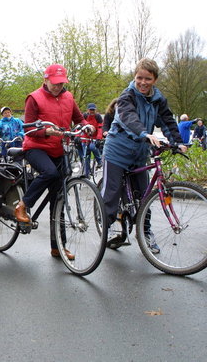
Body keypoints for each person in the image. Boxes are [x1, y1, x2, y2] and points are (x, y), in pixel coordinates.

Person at [100, 58, 187, 253]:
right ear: (135, 77)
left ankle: (145, 232)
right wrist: (145, 133)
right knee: (111, 195)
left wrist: (177, 142)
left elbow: (167, 121)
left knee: (144, 198)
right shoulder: (127, 96)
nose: (143, 82)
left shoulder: (158, 99)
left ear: (155, 79)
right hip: (116, 152)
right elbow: (128, 117)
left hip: (139, 154)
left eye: (148, 78)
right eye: (139, 77)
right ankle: (106, 227)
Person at [14, 64, 93, 260]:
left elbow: (78, 118)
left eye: (61, 83)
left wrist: (86, 126)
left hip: (60, 149)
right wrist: (45, 131)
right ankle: (23, 205)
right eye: (55, 83)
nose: (58, 87)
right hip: (36, 147)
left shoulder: (68, 97)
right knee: (50, 173)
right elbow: (27, 128)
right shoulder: (34, 98)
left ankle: (58, 246)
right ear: (46, 80)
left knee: (58, 200)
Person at [79, 103, 103, 173]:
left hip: (94, 137)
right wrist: (78, 137)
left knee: (92, 147)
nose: (92, 111)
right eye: (90, 109)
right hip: (85, 138)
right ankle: (87, 173)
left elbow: (100, 128)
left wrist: (99, 138)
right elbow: (80, 127)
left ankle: (99, 161)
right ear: (88, 110)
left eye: (93, 110)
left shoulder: (98, 117)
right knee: (86, 156)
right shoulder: (84, 116)